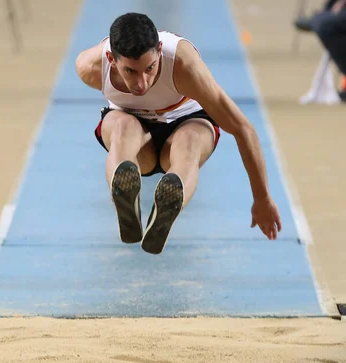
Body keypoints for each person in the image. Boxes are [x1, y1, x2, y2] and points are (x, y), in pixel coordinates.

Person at [76, 13, 282, 254]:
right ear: (111, 58)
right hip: (133, 128)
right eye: (130, 71)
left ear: (160, 50)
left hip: (187, 120)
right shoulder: (90, 68)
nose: (142, 83)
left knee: (189, 142)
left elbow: (242, 128)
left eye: (150, 68)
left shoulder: (184, 65)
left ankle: (171, 199)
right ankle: (123, 195)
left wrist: (262, 198)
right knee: (122, 127)